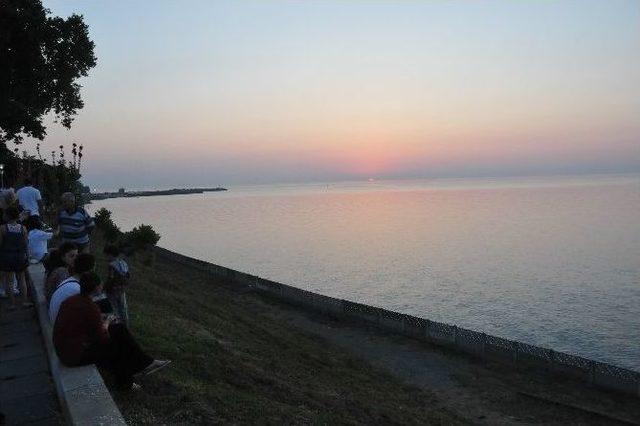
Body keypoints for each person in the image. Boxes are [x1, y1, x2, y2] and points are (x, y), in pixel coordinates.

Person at [53, 272, 171, 389]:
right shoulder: (91, 307)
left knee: (119, 329)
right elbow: (103, 338)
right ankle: (127, 382)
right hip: (74, 356)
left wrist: (101, 319)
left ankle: (145, 364)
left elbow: (81, 324)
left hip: (63, 349)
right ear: (96, 288)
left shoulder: (71, 300)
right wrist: (107, 322)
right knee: (117, 346)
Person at [49, 253, 95, 323]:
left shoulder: (68, 281)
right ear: (89, 270)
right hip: (61, 327)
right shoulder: (78, 290)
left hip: (55, 321)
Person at [0, 206, 31, 309]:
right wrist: (28, 256)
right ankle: (24, 301)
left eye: (4, 213)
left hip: (7, 257)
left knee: (9, 281)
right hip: (20, 256)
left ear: (8, 216)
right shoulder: (23, 228)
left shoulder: (3, 228)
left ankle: (12, 304)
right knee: (21, 279)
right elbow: (26, 244)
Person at [104, 244, 131, 326]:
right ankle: (125, 324)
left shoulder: (112, 265)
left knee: (113, 308)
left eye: (107, 255)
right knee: (123, 308)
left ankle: (115, 324)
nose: (106, 258)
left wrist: (104, 288)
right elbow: (128, 275)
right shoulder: (123, 263)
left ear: (110, 254)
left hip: (112, 290)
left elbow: (110, 278)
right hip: (122, 290)